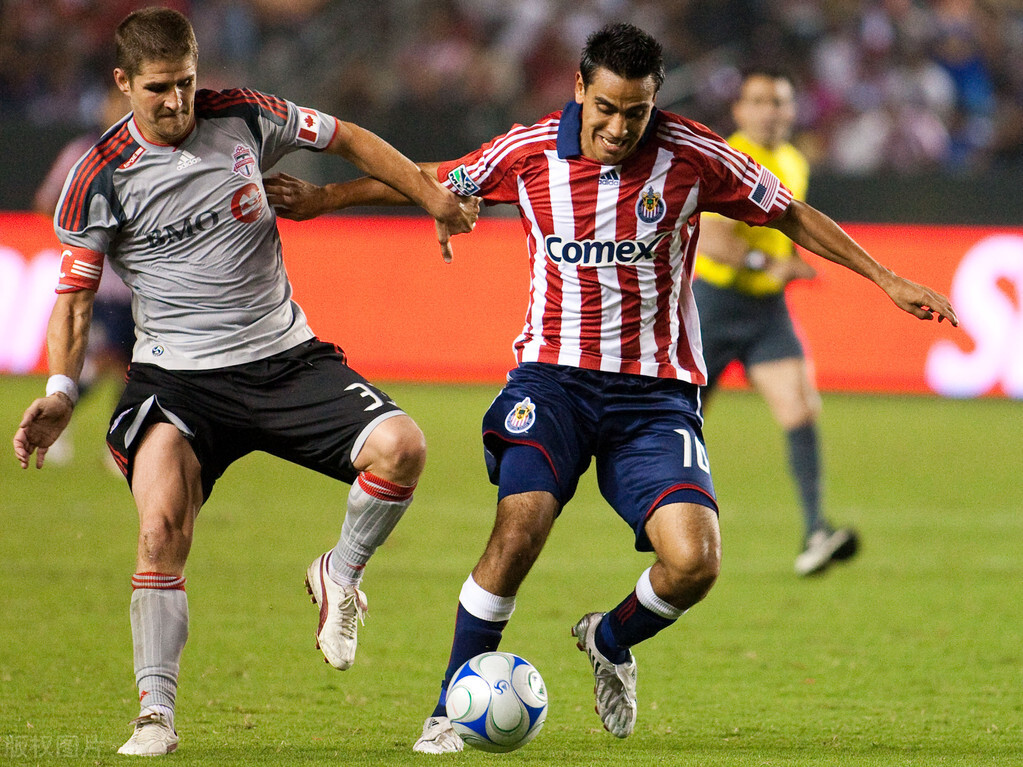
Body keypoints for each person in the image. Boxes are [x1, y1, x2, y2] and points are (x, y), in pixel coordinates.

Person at [266, 22, 957, 752]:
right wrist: (327, 198)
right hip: (552, 381)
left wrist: (884, 277)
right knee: (519, 527)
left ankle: (610, 637)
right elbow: (435, 176)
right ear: (579, 91)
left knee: (695, 562)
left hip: (654, 395)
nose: (619, 127)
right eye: (606, 108)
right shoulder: (529, 151)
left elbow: (786, 210)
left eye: (636, 112)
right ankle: (449, 707)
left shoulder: (693, 156)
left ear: (654, 102)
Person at [11, 6, 476, 757]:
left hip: (283, 357)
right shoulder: (96, 176)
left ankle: (339, 572)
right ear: (124, 82)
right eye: (158, 88)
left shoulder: (247, 117)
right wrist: (63, 393)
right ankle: (155, 714)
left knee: (402, 448)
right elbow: (72, 298)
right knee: (161, 527)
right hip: (177, 380)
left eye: (187, 83)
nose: (175, 103)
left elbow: (350, 138)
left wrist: (428, 197)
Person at [693, 69, 859, 576]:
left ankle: (815, 532)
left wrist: (788, 265)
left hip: (766, 312)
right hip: (712, 304)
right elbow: (709, 238)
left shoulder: (792, 161)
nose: (771, 110)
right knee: (678, 421)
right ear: (740, 111)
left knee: (801, 409)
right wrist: (770, 264)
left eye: (780, 102)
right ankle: (660, 518)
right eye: (760, 101)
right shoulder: (725, 158)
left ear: (791, 112)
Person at [33, 84, 135, 470]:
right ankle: (56, 422)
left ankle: (121, 445)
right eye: (116, 103)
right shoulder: (82, 152)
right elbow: (46, 201)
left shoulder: (150, 153)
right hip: (101, 284)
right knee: (100, 361)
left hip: (141, 286)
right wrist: (80, 233)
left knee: (133, 366)